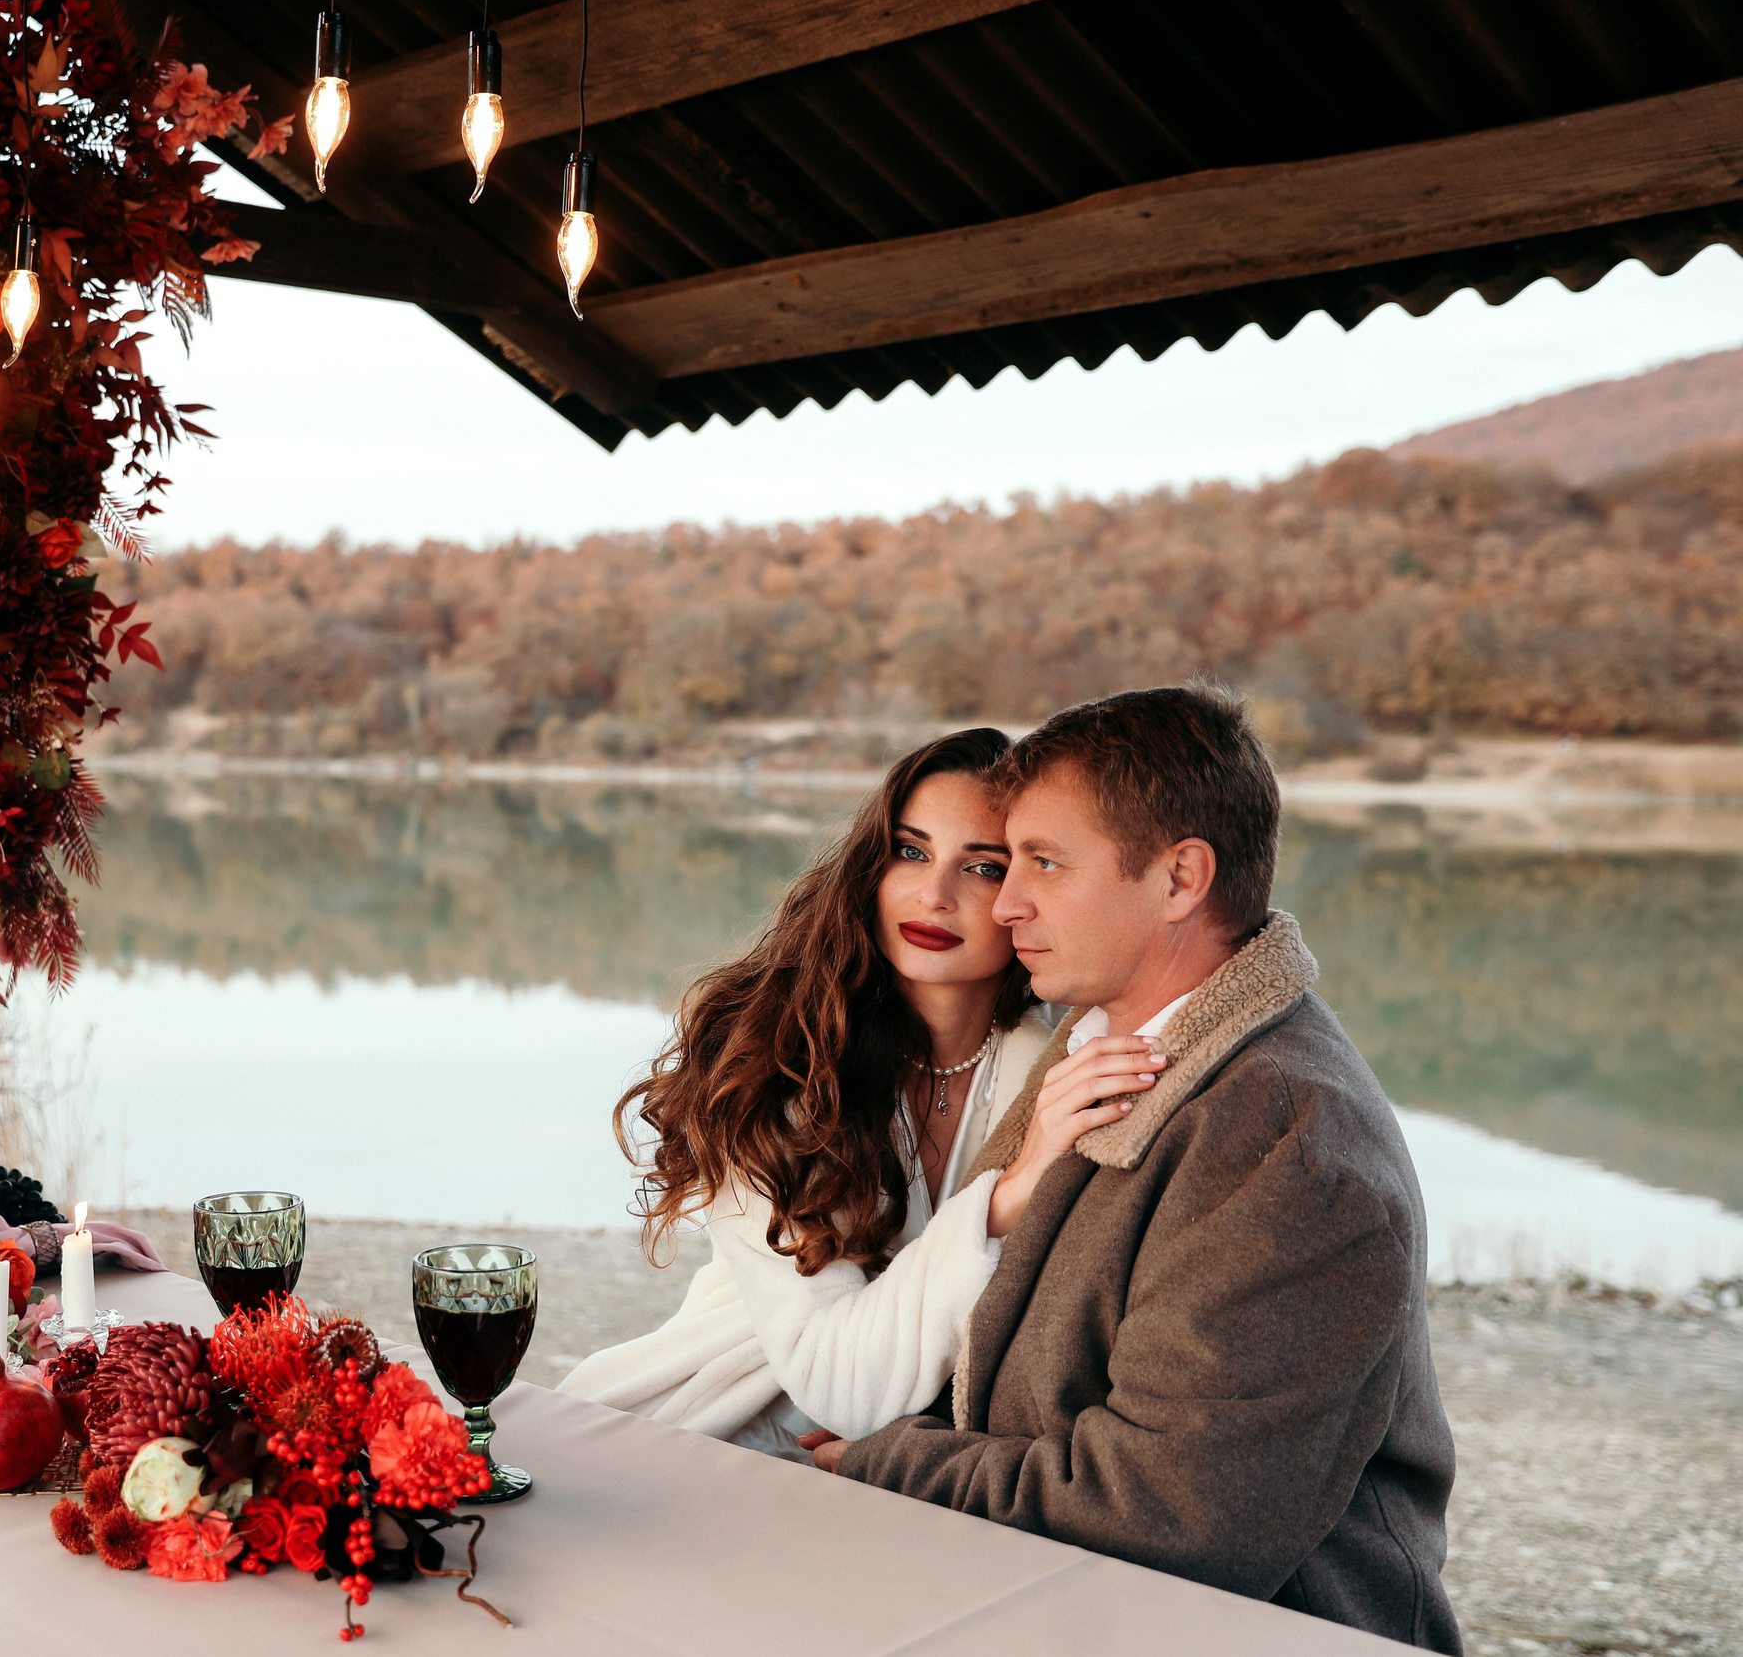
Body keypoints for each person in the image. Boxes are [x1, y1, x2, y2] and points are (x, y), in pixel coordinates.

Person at [814, 686, 1460, 1653]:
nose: (1006, 901)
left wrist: (879, 1463)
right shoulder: (1105, 1039)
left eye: (1046, 863)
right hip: (1036, 1604)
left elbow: (1163, 1518)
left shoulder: (1288, 1145)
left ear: (1179, 878)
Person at [559, 730, 1141, 1460]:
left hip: (917, 1463)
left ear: (1025, 896)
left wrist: (910, 1441)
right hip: (702, 1431)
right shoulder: (775, 1069)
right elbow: (845, 1386)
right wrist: (1007, 1196)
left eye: (983, 867)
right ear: (872, 864)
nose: (935, 894)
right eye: (911, 851)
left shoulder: (1051, 1069)